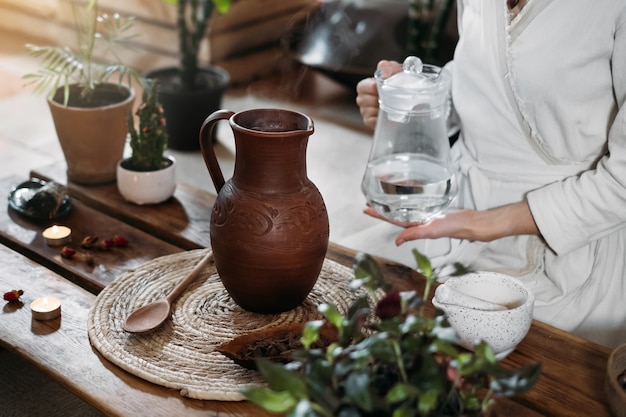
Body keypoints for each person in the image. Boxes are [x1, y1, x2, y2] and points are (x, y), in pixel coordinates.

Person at [351, 0, 626, 348]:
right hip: (456, 216)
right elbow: (485, 78)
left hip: (568, 251)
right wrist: (418, 101)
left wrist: (490, 223)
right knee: (352, 301)